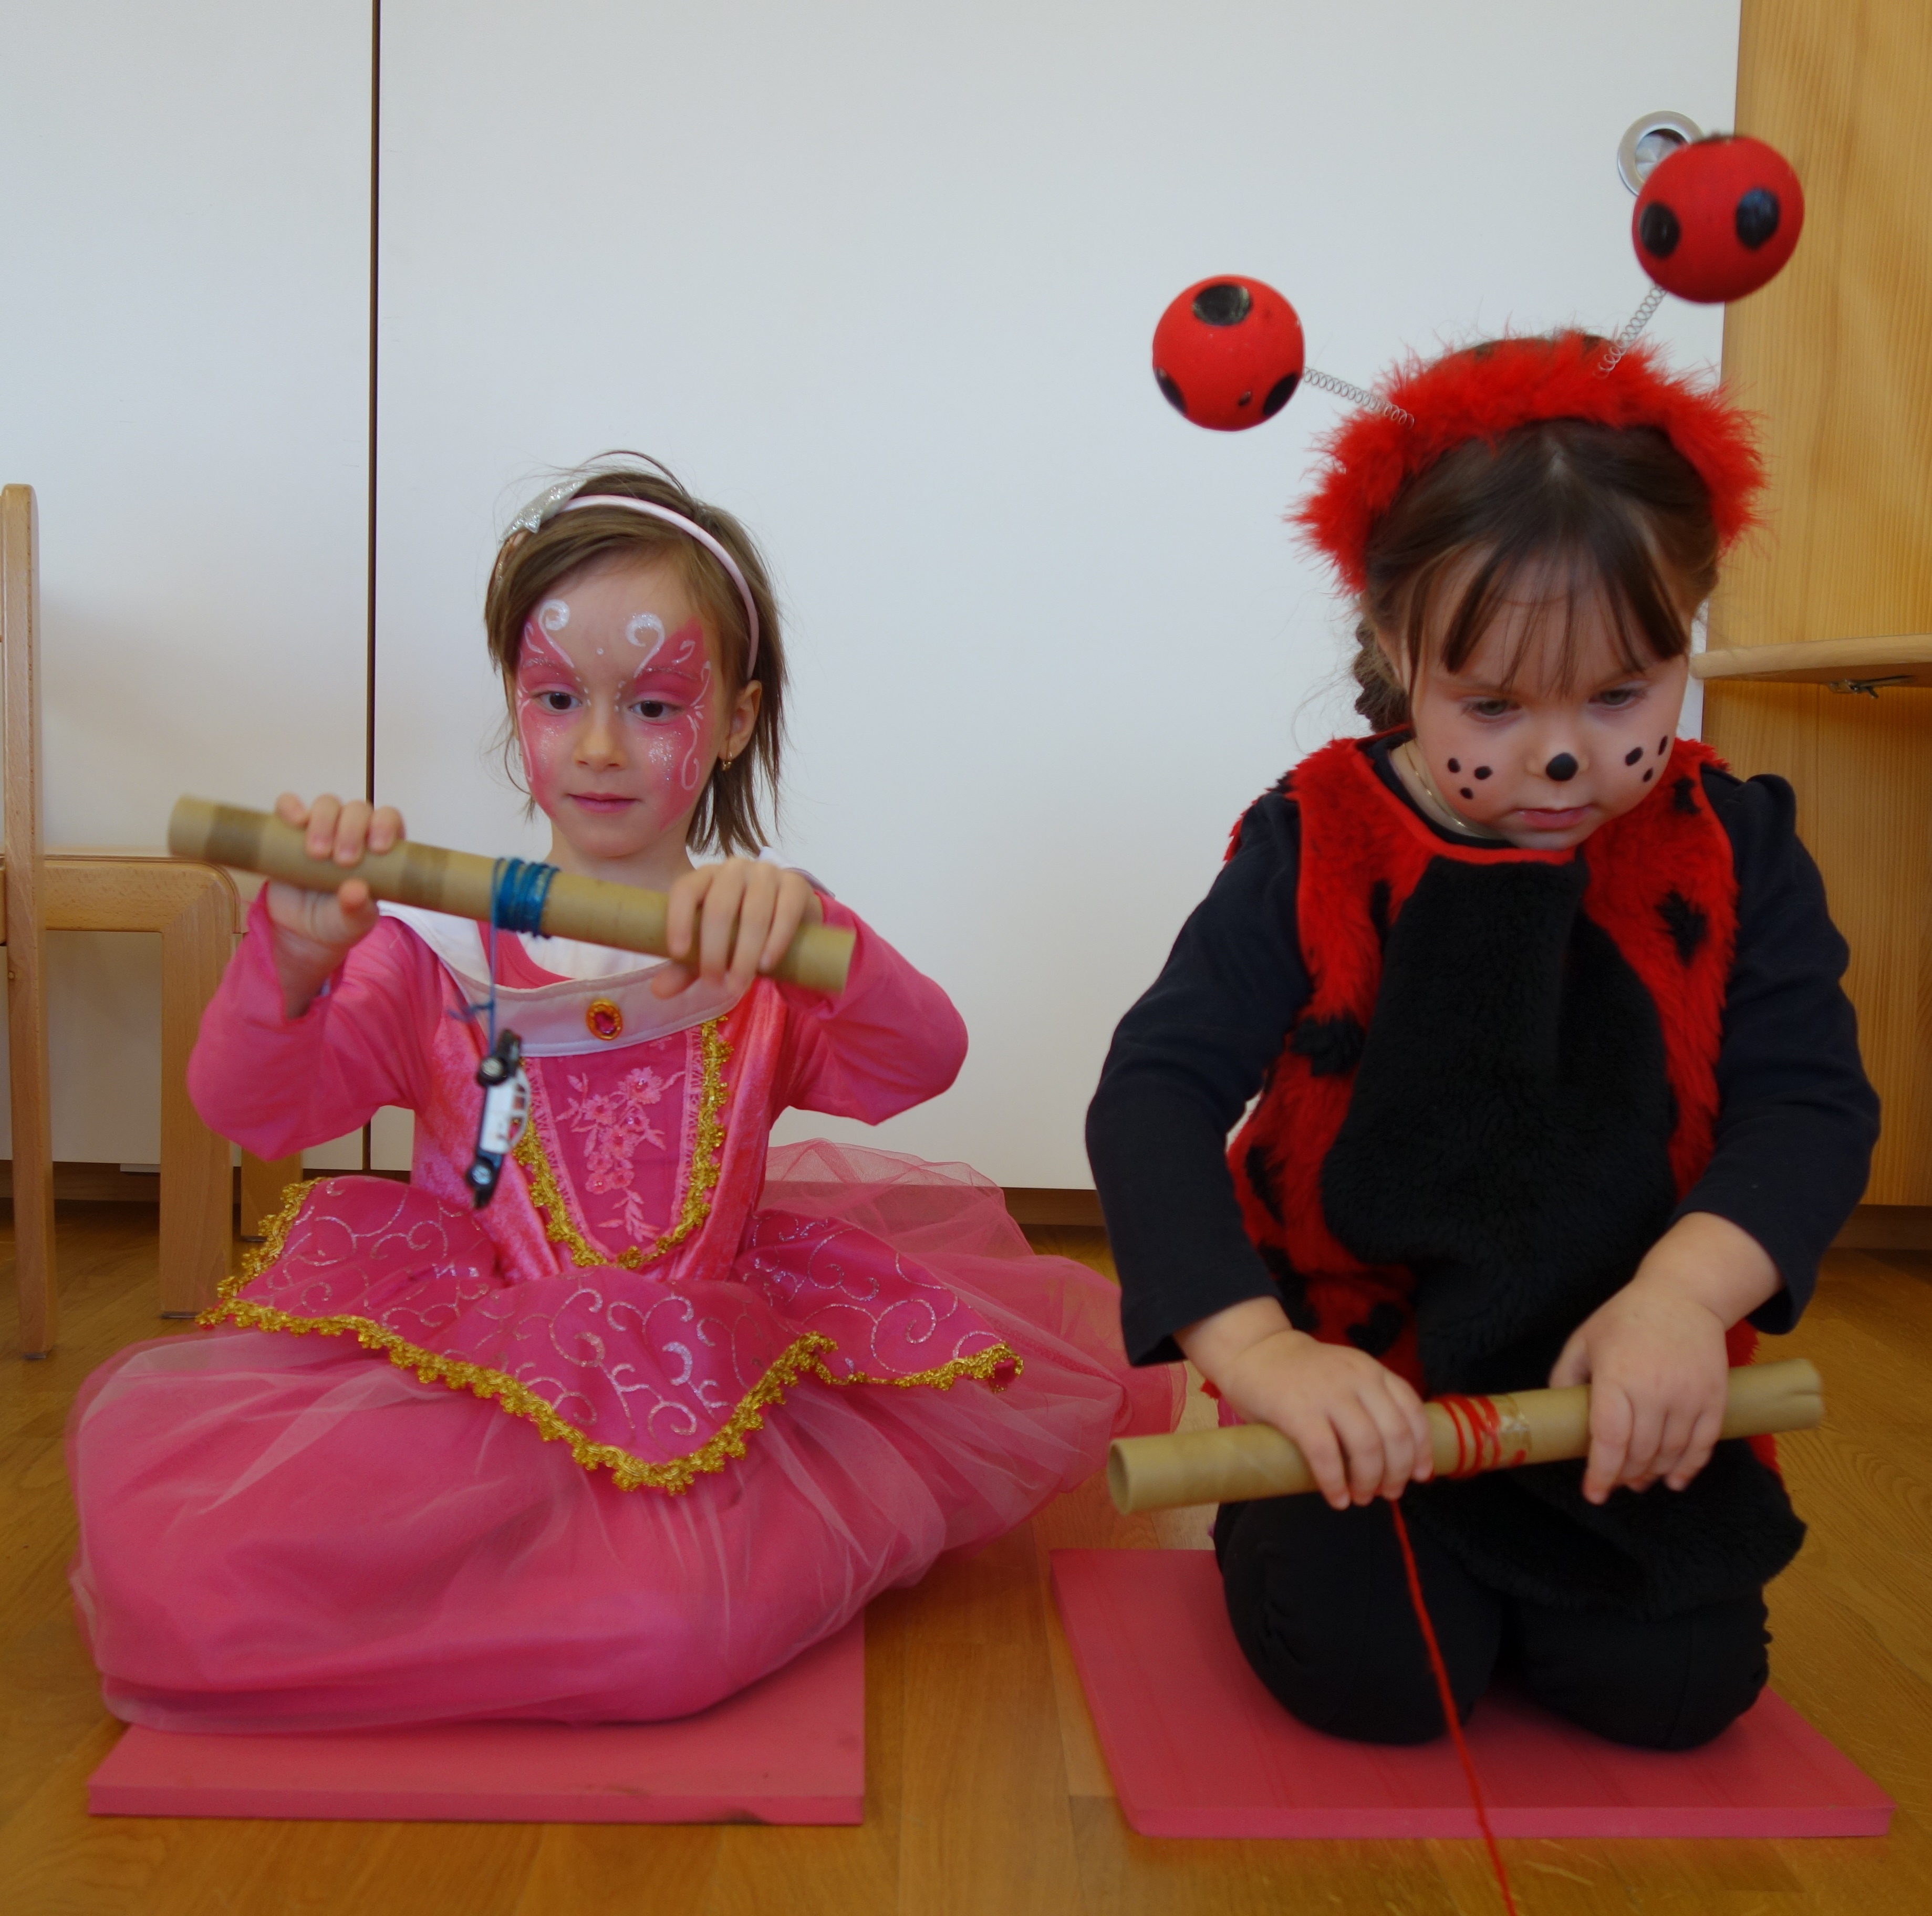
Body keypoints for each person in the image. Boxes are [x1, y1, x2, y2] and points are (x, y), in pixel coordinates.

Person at [69, 459, 1177, 1732]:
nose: (597, 746)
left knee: (665, 1628)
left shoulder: (763, 954)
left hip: (701, 1384)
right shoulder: (436, 963)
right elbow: (250, 1109)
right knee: (194, 1576)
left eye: (653, 705)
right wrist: (297, 952)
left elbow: (922, 1059)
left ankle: (550, 1603)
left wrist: (818, 928)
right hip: (456, 1381)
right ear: (515, 699)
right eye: (556, 698)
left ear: (738, 719)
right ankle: (492, 1587)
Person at [1086, 333, 1878, 1752]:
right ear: (1399, 651)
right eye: (1495, 708)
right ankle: (1306, 1535)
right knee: (1378, 1681)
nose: (1558, 758)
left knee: (1678, 1695)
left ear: (1685, 633)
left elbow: (1807, 1109)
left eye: (1620, 696)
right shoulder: (1316, 840)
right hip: (1364, 1395)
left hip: (1613, 1394)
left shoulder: (1735, 843)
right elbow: (1153, 1094)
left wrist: (1679, 1303)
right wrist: (1263, 1359)